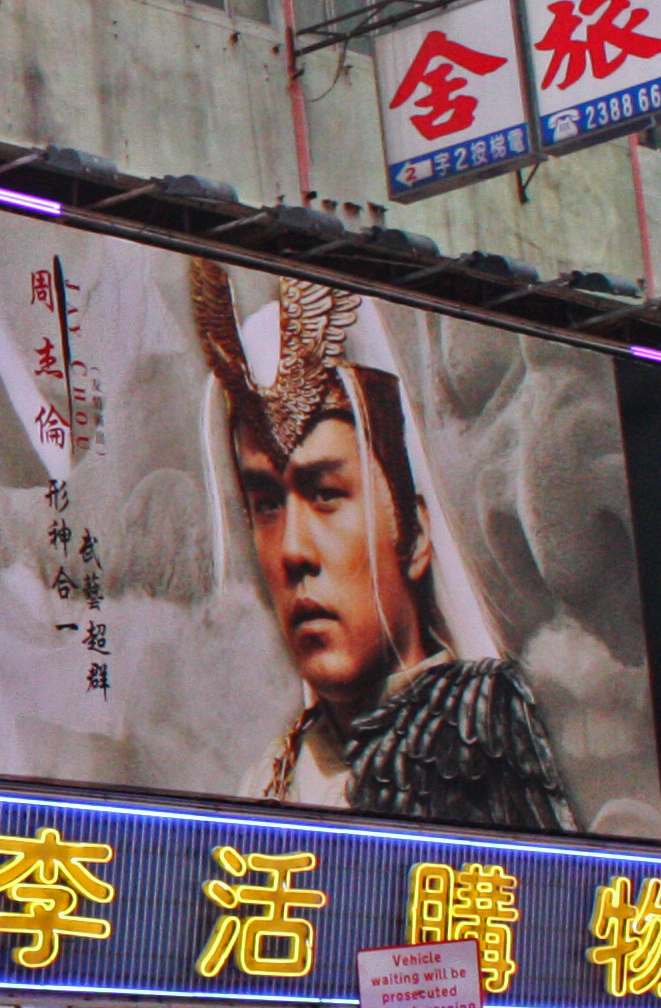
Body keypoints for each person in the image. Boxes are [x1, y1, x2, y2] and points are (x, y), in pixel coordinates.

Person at [191, 264, 576, 826]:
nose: (293, 550)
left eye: (325, 493)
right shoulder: (268, 778)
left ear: (415, 534)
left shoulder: (481, 730)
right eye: (267, 504)